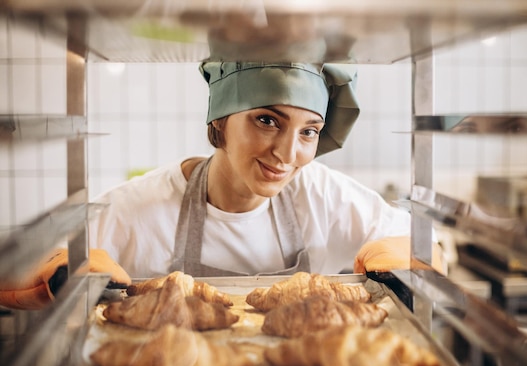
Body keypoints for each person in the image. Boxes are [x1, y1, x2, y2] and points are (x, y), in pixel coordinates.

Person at [0, 61, 439, 309]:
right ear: (219, 121)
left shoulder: (321, 193)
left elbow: (422, 243)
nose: (287, 154)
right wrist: (63, 269)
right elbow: (16, 270)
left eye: (309, 131)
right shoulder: (145, 205)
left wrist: (396, 260)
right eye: (267, 120)